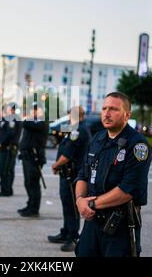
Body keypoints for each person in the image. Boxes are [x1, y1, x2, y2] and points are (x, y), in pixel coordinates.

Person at [75, 92, 152, 257]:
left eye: (113, 109)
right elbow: (83, 175)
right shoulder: (97, 138)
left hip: (119, 226)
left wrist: (91, 204)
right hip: (92, 223)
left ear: (127, 115)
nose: (107, 113)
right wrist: (80, 200)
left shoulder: (138, 144)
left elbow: (128, 190)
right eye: (104, 108)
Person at [49, 106, 92, 252]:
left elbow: (67, 154)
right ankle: (66, 232)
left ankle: (73, 237)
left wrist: (56, 165)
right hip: (67, 173)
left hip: (73, 174)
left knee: (72, 207)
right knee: (66, 204)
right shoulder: (74, 128)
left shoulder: (77, 131)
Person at [17, 103, 49, 218]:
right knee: (28, 183)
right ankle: (30, 205)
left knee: (33, 184)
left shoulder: (41, 122)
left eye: (35, 110)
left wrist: (26, 117)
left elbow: (26, 123)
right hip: (27, 156)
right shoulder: (32, 121)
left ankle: (34, 209)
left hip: (35, 157)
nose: (33, 112)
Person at [0, 104, 22, 197]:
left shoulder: (12, 119)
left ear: (12, 110)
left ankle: (6, 190)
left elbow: (10, 133)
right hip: (7, 148)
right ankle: (7, 189)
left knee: (4, 170)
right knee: (8, 170)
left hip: (8, 148)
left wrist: (1, 143)